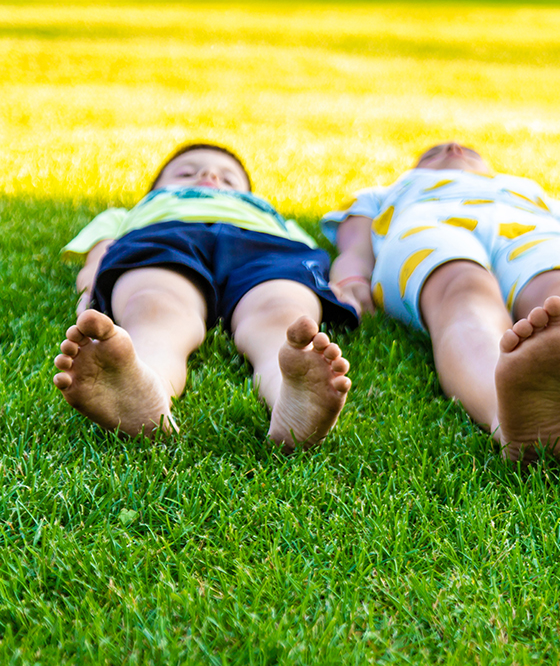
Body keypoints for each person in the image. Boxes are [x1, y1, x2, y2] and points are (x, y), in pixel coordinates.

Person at [325, 142, 560, 466]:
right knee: (460, 293)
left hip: (532, 232)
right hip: (431, 228)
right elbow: (355, 245)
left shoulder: (528, 191)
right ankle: (508, 413)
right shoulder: (388, 193)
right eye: (433, 153)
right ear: (417, 170)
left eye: (467, 149)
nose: (453, 146)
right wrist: (351, 279)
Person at [54, 143, 359, 451]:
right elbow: (100, 252)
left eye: (229, 180)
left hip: (264, 246)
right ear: (153, 191)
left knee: (283, 313)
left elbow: (306, 258)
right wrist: (90, 282)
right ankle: (144, 388)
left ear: (249, 195)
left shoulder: (275, 219)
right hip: (165, 238)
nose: (209, 175)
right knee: (155, 306)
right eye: (186, 172)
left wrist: (335, 284)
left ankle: (291, 397)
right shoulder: (132, 213)